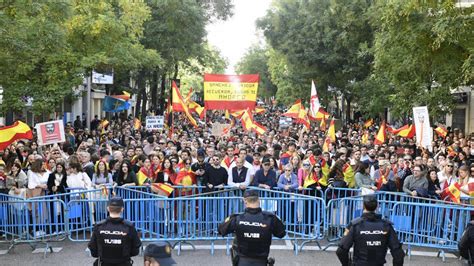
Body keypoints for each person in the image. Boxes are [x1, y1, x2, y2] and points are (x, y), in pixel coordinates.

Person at [218, 190, 286, 266]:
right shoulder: (270, 218)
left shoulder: (237, 218)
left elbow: (221, 230)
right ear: (259, 200)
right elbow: (281, 233)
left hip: (242, 261)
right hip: (261, 261)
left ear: (245, 201)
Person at [336, 195, 405, 266]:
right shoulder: (386, 225)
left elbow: (341, 251)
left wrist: (347, 264)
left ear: (363, 206)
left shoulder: (355, 225)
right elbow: (398, 254)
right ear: (377, 206)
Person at [88, 197, 142, 266]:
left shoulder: (99, 226)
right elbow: (135, 249)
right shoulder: (129, 227)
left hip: (103, 263)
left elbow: (93, 249)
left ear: (108, 208)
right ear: (122, 209)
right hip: (124, 263)